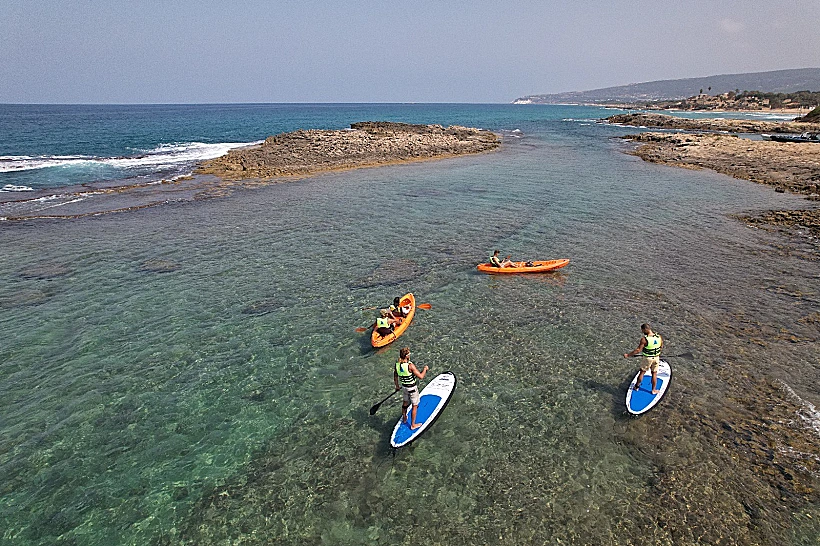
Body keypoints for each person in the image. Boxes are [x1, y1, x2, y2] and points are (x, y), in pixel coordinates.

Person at [393, 347, 429, 430]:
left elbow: (395, 377)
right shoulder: (410, 366)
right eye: (409, 354)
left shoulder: (397, 365)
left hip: (404, 388)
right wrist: (425, 369)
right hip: (412, 388)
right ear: (406, 356)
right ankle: (413, 425)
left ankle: (404, 417)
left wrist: (397, 386)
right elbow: (421, 376)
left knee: (405, 403)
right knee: (415, 406)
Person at [623, 323, 664, 394]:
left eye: (642, 330)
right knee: (654, 373)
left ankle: (636, 387)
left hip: (647, 359)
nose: (642, 332)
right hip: (656, 358)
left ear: (645, 329)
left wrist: (628, 355)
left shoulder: (644, 339)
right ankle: (653, 390)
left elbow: (638, 350)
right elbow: (661, 347)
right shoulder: (659, 337)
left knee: (642, 372)